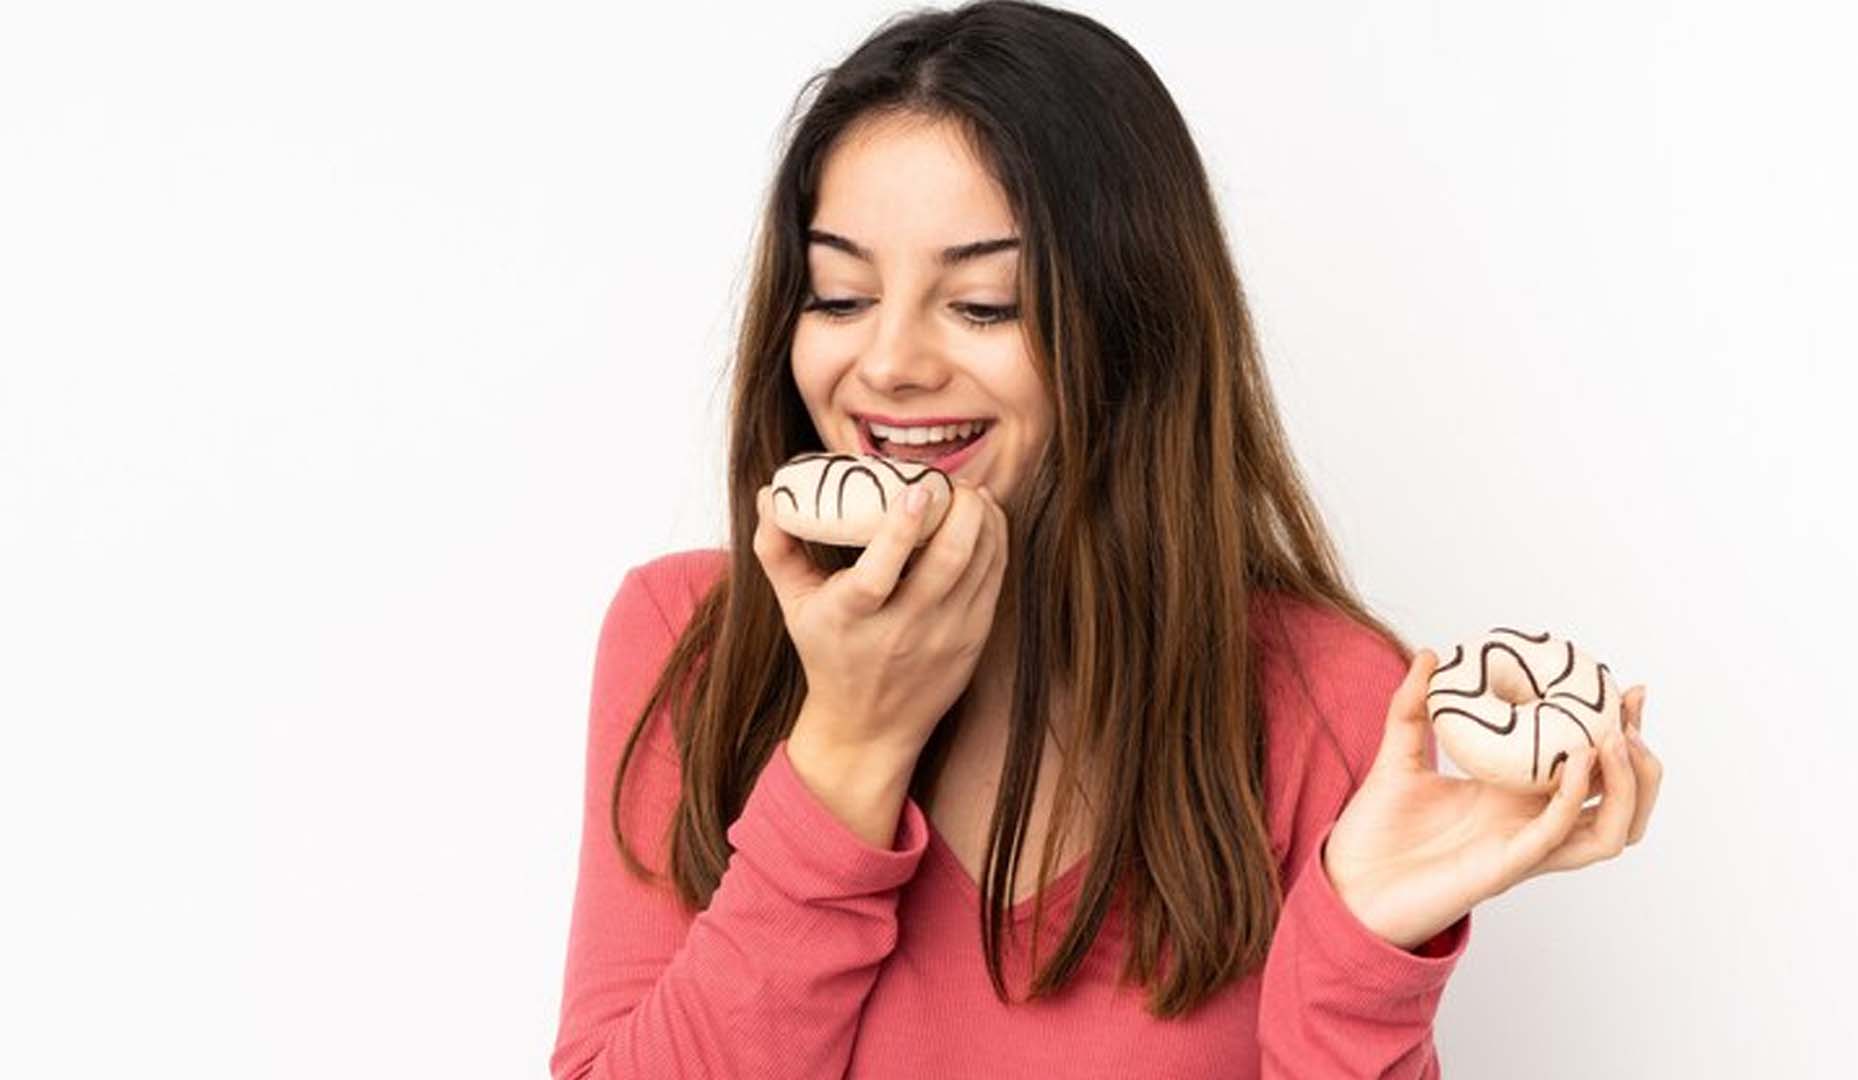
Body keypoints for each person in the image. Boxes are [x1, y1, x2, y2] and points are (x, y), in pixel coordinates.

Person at [549, 3, 1664, 1077]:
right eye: (839, 296)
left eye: (984, 306)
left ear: (1134, 331)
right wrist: (848, 747)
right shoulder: (684, 641)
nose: (886, 364)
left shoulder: (1328, 700)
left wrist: (1362, 955)